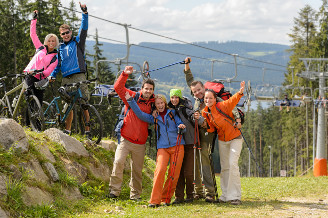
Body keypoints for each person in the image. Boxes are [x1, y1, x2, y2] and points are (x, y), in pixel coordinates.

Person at [184, 57, 241, 202]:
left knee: (205, 159)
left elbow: (229, 106)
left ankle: (210, 192)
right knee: (197, 160)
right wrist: (187, 66)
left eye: (199, 90)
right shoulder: (197, 99)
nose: (197, 93)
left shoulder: (212, 97)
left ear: (204, 88)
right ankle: (199, 191)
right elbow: (190, 81)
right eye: (195, 92)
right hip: (198, 133)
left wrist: (237, 119)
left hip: (209, 134)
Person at [125, 92, 186, 207]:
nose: (160, 105)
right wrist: (130, 101)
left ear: (165, 103)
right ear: (155, 105)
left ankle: (166, 199)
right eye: (158, 104)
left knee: (173, 174)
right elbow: (140, 114)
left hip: (177, 145)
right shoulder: (154, 117)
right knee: (159, 171)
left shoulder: (172, 113)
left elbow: (180, 123)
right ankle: (154, 200)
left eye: (162, 102)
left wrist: (181, 126)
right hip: (163, 147)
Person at [108, 66, 155, 201]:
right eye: (146, 88)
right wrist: (124, 74)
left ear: (153, 91)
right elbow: (118, 88)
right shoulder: (132, 96)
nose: (148, 91)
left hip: (140, 143)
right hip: (125, 139)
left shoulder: (153, 104)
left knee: (137, 171)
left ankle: (135, 195)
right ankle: (114, 191)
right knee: (118, 162)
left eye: (151, 89)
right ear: (142, 88)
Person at [195, 81, 245, 205]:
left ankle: (235, 196)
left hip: (235, 138)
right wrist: (204, 123)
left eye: (210, 98)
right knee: (225, 167)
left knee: (232, 164)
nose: (208, 100)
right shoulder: (205, 112)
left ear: (214, 98)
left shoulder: (222, 106)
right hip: (223, 140)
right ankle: (225, 194)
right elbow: (211, 129)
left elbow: (232, 101)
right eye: (206, 98)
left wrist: (240, 92)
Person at [49, 2, 89, 135]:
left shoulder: (78, 42)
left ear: (71, 32)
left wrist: (84, 13)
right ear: (60, 35)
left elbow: (83, 28)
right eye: (63, 34)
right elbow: (58, 64)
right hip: (66, 78)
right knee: (68, 105)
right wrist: (53, 75)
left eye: (67, 32)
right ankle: (67, 130)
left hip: (79, 75)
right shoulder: (60, 47)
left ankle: (88, 132)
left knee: (84, 104)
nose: (65, 35)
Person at [24, 10, 59, 125]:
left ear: (56, 43)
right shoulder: (40, 48)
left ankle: (37, 124)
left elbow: (50, 69)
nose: (51, 42)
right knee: (29, 97)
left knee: (38, 100)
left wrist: (43, 74)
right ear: (46, 41)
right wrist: (34, 19)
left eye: (53, 41)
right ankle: (28, 124)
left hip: (41, 78)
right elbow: (32, 34)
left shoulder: (55, 57)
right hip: (30, 74)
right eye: (49, 40)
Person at [167, 89, 196, 204]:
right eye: (172, 97)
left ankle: (190, 195)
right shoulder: (168, 110)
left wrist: (197, 118)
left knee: (188, 172)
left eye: (176, 97)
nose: (174, 100)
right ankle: (179, 197)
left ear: (180, 98)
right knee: (177, 171)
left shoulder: (185, 109)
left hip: (188, 143)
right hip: (176, 144)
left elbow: (192, 116)